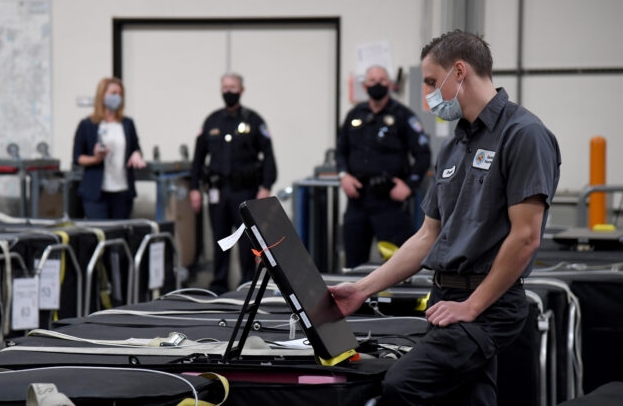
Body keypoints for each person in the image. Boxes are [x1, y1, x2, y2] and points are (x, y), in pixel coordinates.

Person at [329, 30, 561, 405]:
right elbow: (426, 236)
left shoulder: (524, 134)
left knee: (400, 384)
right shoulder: (454, 146)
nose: (428, 94)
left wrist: (471, 306)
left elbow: (525, 238)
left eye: (432, 82)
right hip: (445, 295)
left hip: (489, 303)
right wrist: (361, 289)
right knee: (468, 398)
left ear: (459, 71)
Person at [190, 73, 277, 295]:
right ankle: (219, 284)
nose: (229, 91)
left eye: (233, 87)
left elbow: (268, 157)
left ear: (241, 90)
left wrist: (265, 186)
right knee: (221, 240)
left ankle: (246, 284)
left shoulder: (253, 120)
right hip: (217, 191)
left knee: (246, 241)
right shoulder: (212, 121)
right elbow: (198, 159)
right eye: (225, 87)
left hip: (244, 191)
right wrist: (194, 189)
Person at [336, 65, 431, 268]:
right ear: (364, 85)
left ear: (389, 84)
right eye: (372, 81)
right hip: (358, 201)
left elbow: (423, 155)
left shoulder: (404, 116)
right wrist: (344, 175)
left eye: (382, 80)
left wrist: (408, 186)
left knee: (398, 265)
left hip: (390, 204)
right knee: (353, 265)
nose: (377, 84)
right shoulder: (354, 115)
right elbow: (340, 151)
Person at [72, 77, 146, 219]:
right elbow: (77, 157)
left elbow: (135, 147)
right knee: (100, 233)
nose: (117, 97)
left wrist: (137, 154)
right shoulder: (88, 124)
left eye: (120, 94)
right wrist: (95, 158)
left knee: (119, 235)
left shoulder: (127, 124)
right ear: (102, 95)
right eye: (113, 93)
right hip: (96, 193)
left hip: (122, 192)